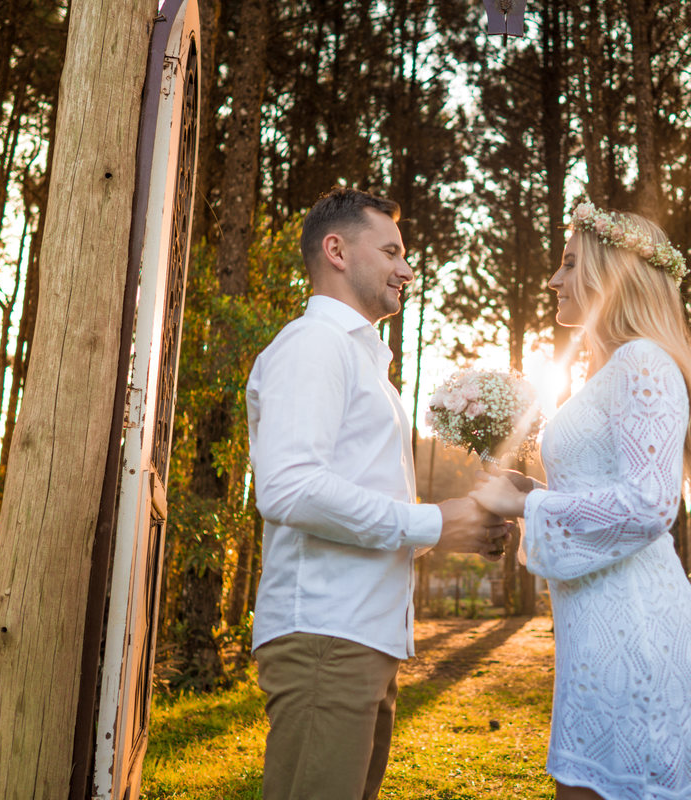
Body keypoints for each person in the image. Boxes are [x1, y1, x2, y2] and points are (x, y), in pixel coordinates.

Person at [247, 186, 510, 800]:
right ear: (336, 251)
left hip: (363, 639)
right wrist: (432, 521)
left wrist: (458, 527)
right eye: (391, 252)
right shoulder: (313, 345)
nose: (407, 269)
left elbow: (364, 505)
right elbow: (290, 489)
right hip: (326, 639)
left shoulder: (366, 364)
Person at [470, 199, 691, 800]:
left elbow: (649, 505)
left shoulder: (643, 361)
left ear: (611, 275)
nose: (554, 279)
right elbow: (608, 494)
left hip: (637, 632)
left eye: (569, 263)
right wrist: (532, 493)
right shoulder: (611, 370)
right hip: (599, 631)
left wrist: (530, 508)